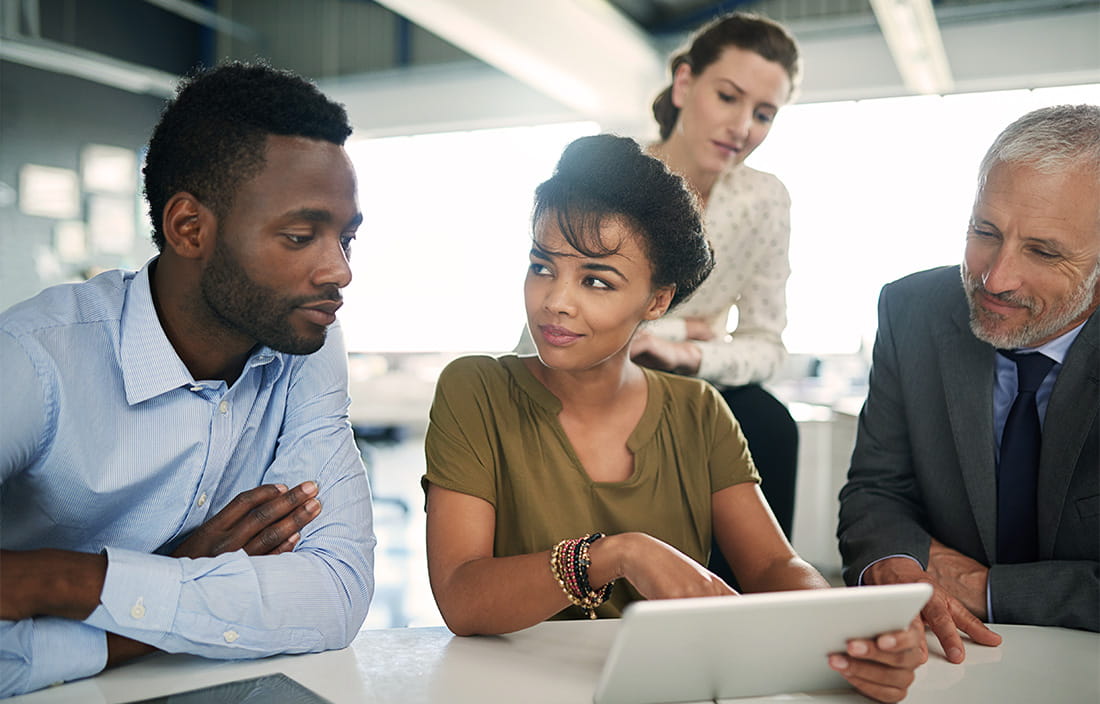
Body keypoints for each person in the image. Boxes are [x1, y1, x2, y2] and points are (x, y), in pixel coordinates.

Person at [426, 134, 924, 704]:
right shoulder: (476, 390)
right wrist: (618, 552)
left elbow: (771, 563)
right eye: (542, 266)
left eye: (595, 280)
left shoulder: (699, 411)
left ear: (657, 301)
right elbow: (462, 596)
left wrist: (849, 635)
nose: (554, 300)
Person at [0, 62, 375, 697]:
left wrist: (69, 581)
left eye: (346, 238)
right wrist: (188, 589)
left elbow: (333, 594)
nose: (338, 271)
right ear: (188, 228)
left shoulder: (307, 342)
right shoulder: (34, 359)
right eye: (300, 236)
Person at [837, 104, 1099, 666]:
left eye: (1044, 251)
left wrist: (985, 589)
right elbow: (877, 490)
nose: (994, 278)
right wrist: (897, 566)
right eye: (985, 232)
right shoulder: (912, 309)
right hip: (941, 656)